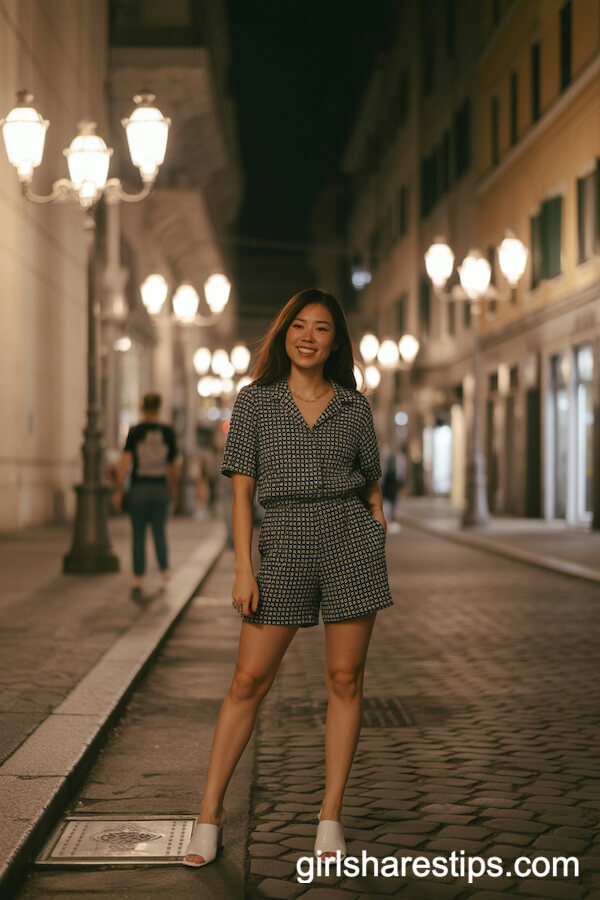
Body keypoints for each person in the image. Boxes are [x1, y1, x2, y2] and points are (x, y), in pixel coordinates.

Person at [183, 288, 394, 868]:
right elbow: (241, 494)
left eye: (321, 328)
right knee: (248, 680)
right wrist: (243, 567)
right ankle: (209, 813)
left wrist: (376, 522)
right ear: (284, 333)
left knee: (345, 679)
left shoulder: (354, 407)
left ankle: (330, 815)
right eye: (299, 325)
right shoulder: (255, 401)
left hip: (349, 540)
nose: (308, 336)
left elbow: (371, 478)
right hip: (283, 543)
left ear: (335, 341)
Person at [113, 392, 180, 598]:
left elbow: (125, 463)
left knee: (138, 534)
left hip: (139, 489)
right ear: (159, 408)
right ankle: (164, 571)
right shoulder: (168, 432)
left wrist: (118, 489)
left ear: (142, 407)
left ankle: (138, 577)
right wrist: (173, 489)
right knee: (159, 532)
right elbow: (172, 467)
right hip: (160, 487)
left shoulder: (135, 431)